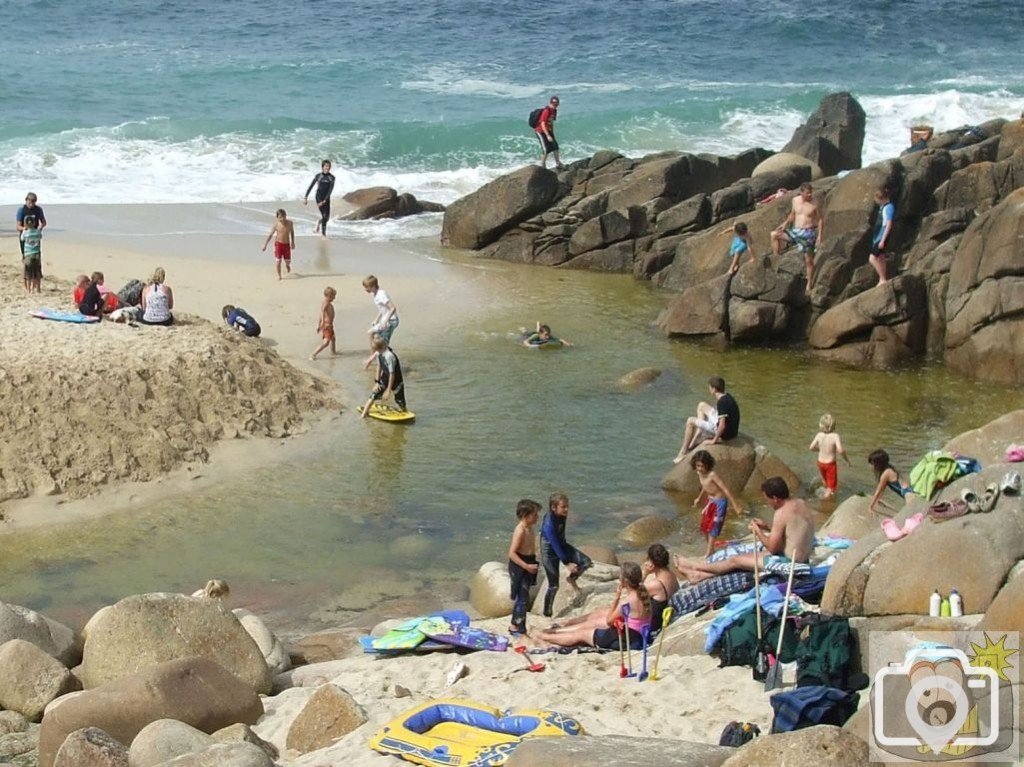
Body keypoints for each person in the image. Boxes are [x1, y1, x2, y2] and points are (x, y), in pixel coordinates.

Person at [673, 477, 815, 585]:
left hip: (790, 562)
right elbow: (792, 532)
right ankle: (700, 575)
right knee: (748, 557)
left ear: (776, 499)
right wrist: (767, 527)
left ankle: (694, 566)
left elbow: (772, 548)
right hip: (800, 556)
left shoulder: (781, 513)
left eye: (767, 499)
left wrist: (757, 531)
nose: (767, 503)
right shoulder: (800, 503)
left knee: (735, 560)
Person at [538, 562, 651, 650]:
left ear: (625, 581)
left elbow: (609, 621)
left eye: (620, 576)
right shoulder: (643, 593)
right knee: (590, 627)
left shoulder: (626, 602)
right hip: (637, 636)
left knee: (581, 634)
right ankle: (556, 632)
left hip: (627, 640)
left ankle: (544, 637)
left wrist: (616, 598)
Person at [539, 492, 593, 617]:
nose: (567, 509)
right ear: (553, 507)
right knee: (553, 586)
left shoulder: (561, 515)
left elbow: (560, 541)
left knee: (585, 562)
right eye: (563, 507)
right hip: (549, 553)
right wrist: (566, 562)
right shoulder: (549, 523)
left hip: (561, 545)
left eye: (567, 506)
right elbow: (553, 543)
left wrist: (568, 555)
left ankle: (571, 579)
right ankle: (547, 614)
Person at [770, 183, 825, 293]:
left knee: (808, 260)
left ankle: (809, 284)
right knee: (774, 235)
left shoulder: (815, 204)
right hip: (795, 231)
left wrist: (819, 236)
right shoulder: (795, 200)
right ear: (802, 192)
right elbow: (793, 214)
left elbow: (821, 220)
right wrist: (785, 224)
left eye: (810, 192)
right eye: (807, 193)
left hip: (808, 233)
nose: (809, 194)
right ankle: (777, 260)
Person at [673, 376, 740, 463]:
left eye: (710, 387)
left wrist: (714, 440)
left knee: (690, 421)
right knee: (701, 405)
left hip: (724, 432)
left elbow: (722, 425)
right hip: (731, 429)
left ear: (714, 389)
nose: (709, 389)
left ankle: (683, 452)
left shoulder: (722, 403)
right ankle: (699, 433)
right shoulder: (727, 397)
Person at [690, 450, 743, 559]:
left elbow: (725, 489)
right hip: (710, 502)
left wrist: (735, 504)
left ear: (708, 465)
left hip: (719, 503)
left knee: (714, 527)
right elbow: (705, 486)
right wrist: (699, 498)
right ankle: (711, 549)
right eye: (698, 465)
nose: (699, 468)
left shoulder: (712, 475)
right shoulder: (699, 473)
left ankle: (709, 552)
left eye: (702, 466)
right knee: (704, 527)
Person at [507, 499, 541, 636]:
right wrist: (526, 566)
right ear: (525, 515)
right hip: (520, 565)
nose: (537, 517)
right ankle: (518, 628)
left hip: (528, 562)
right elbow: (512, 553)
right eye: (534, 515)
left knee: (524, 596)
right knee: (522, 597)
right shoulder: (520, 530)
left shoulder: (529, 528)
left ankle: (515, 624)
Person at [361, 336, 407, 416]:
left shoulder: (389, 356)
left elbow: (392, 374)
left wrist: (388, 390)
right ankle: (363, 415)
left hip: (396, 380)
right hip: (385, 377)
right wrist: (377, 382)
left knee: (400, 401)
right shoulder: (379, 353)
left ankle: (404, 411)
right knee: (374, 394)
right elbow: (379, 366)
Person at [361, 275, 400, 368]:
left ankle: (371, 360)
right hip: (385, 320)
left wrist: (385, 321)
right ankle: (374, 356)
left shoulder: (381, 294)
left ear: (373, 286)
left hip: (391, 321)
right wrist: (376, 319)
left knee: (382, 343)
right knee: (371, 333)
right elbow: (382, 308)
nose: (365, 289)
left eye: (367, 287)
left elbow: (393, 308)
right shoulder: (376, 294)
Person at [809, 413, 850, 498]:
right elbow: (840, 450)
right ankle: (824, 501)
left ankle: (825, 491)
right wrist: (847, 460)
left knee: (825, 481)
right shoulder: (835, 436)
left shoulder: (819, 435)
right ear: (833, 426)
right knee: (831, 488)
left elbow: (811, 447)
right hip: (830, 465)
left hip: (820, 463)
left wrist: (820, 449)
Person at [868, 449, 914, 513]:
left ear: (878, 464)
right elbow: (882, 489)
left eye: (872, 464)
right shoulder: (890, 468)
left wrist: (870, 507)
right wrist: (878, 500)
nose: (871, 466)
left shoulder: (886, 474)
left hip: (909, 495)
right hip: (910, 492)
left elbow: (878, 492)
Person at [869, 185, 895, 285]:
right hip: (879, 235)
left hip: (882, 235)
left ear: (881, 198)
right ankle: (882, 278)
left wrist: (883, 240)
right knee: (880, 257)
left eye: (877, 199)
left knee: (872, 258)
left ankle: (883, 278)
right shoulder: (883, 207)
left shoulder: (889, 207)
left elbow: (888, 224)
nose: (876, 202)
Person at [261, 209, 296, 280]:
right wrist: (265, 244)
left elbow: (292, 232)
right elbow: (271, 235)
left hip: (287, 245)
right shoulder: (276, 224)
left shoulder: (290, 223)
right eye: (280, 217)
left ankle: (287, 265)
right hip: (278, 245)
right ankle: (279, 275)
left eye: (283, 216)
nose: (282, 219)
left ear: (286, 215)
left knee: (288, 261)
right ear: (277, 217)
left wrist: (293, 242)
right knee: (278, 261)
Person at [304, 160, 336, 237]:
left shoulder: (332, 178)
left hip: (326, 198)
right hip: (319, 197)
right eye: (326, 166)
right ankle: (323, 235)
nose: (327, 168)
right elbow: (311, 186)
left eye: (328, 166)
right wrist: (306, 197)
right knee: (325, 216)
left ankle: (319, 222)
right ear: (322, 167)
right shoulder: (318, 176)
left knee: (327, 218)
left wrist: (325, 200)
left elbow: (330, 190)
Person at [534, 96, 564, 171]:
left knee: (555, 146)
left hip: (548, 130)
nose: (555, 105)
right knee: (546, 149)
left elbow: (551, 122)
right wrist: (547, 135)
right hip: (540, 131)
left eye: (557, 104)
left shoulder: (554, 111)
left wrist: (552, 133)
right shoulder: (546, 111)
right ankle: (543, 166)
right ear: (550, 103)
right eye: (554, 103)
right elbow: (542, 124)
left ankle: (558, 163)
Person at [15, 193, 46, 257]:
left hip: (35, 236)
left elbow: (44, 222)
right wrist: (24, 229)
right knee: (25, 256)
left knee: (36, 255)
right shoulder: (21, 210)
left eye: (33, 203)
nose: (31, 205)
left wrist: (40, 227)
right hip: (25, 236)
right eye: (29, 203)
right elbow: (18, 227)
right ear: (26, 200)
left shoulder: (38, 210)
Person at [311, 286, 337, 360]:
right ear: (328, 296)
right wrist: (322, 322)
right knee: (326, 342)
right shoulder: (326, 303)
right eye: (333, 296)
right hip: (327, 326)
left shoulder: (327, 303)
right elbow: (322, 312)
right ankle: (313, 354)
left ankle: (333, 352)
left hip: (330, 326)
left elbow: (321, 313)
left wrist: (319, 324)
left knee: (333, 339)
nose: (334, 298)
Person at [20, 215, 42, 293]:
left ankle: (29, 289)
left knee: (28, 272)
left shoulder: (25, 233)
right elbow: (40, 237)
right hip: (36, 253)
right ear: (34, 223)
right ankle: (38, 288)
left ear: (25, 224)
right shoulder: (37, 232)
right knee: (37, 271)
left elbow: (22, 239)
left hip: (28, 254)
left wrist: (24, 230)